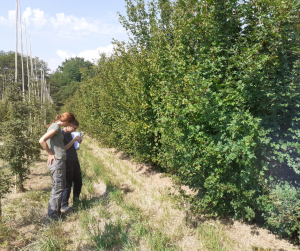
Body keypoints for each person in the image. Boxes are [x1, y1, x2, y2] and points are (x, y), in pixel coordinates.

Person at [39, 112, 79, 220]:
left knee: (59, 188)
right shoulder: (56, 127)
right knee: (57, 189)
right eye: (69, 123)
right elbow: (42, 140)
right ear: (66, 121)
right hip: (57, 161)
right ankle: (52, 216)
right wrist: (50, 154)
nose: (69, 126)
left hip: (59, 160)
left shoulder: (55, 126)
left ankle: (56, 213)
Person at [61, 119, 83, 213]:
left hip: (74, 159)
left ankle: (76, 201)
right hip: (67, 161)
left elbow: (71, 146)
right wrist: (74, 140)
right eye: (73, 128)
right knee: (68, 184)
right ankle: (64, 205)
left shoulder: (70, 134)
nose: (74, 131)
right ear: (68, 125)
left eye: (76, 129)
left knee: (78, 181)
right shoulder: (61, 134)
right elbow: (64, 148)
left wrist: (77, 142)